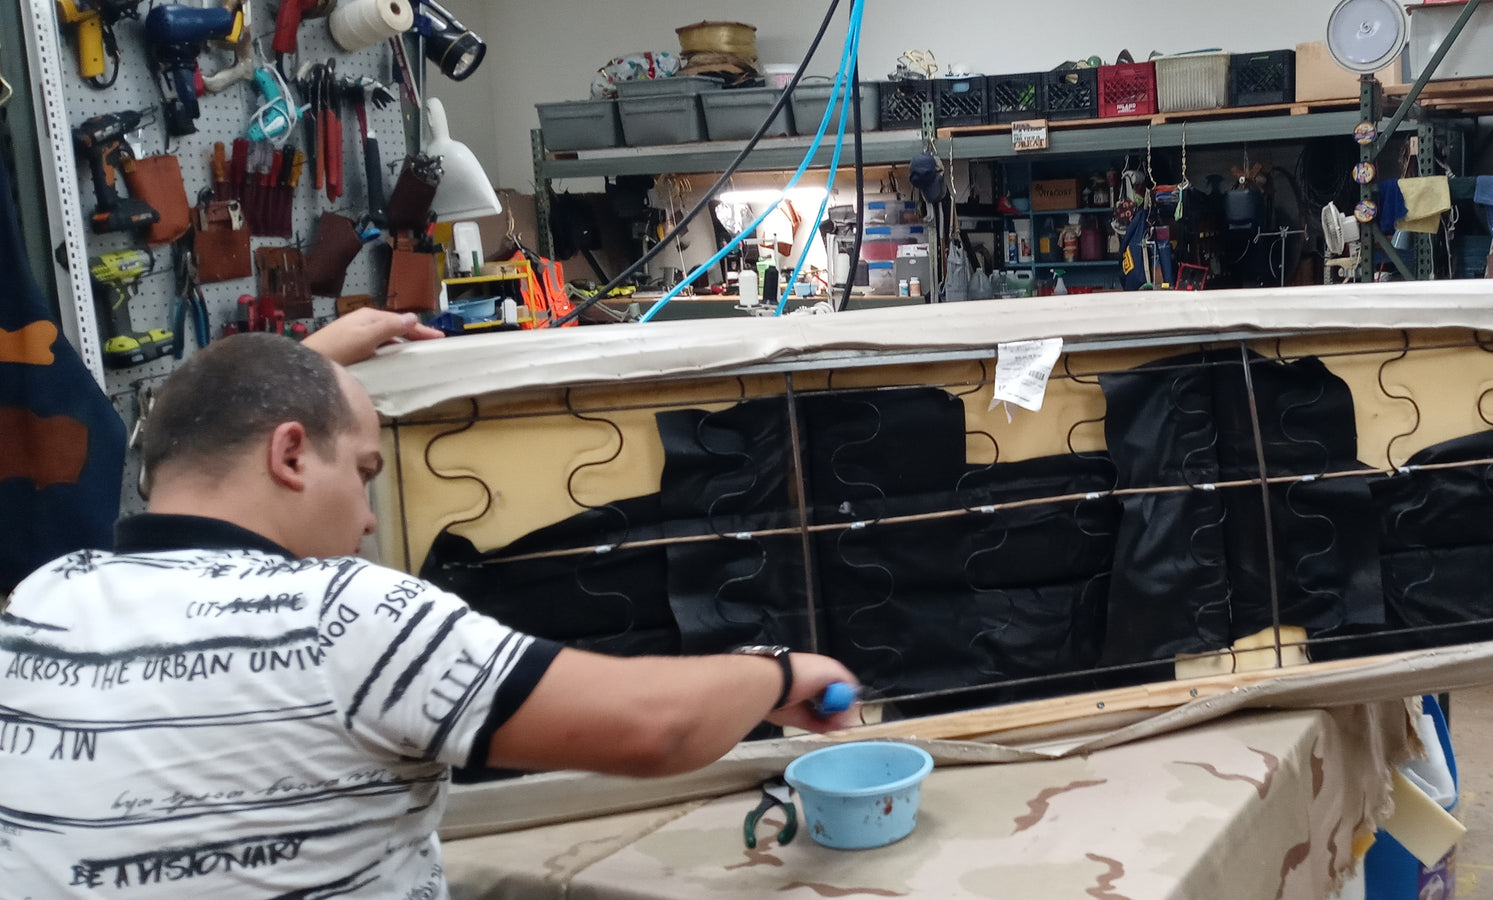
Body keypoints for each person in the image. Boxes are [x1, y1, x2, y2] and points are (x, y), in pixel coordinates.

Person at [0, 310, 861, 898]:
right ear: (290, 455)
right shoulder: (344, 617)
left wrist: (304, 366)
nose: (370, 517)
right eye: (364, 473)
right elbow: (654, 728)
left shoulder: (42, 601)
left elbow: (203, 436)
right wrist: (781, 672)